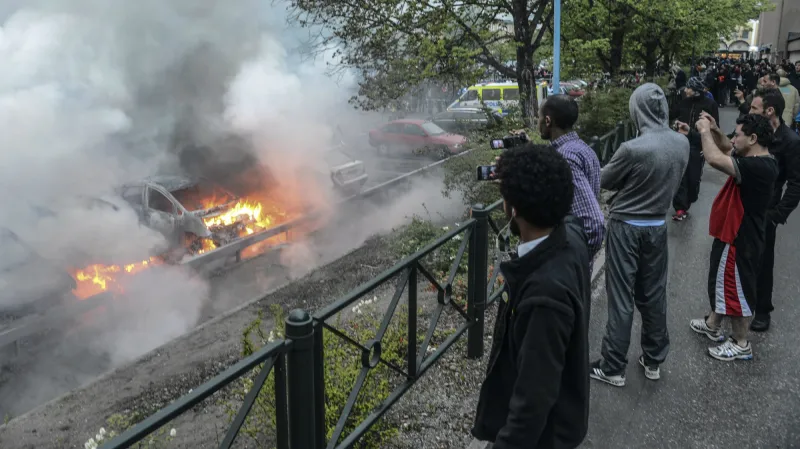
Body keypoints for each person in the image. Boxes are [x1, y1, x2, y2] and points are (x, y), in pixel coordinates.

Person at [472, 145, 590, 449]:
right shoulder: (571, 236)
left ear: (512, 208)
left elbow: (532, 405)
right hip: (563, 419)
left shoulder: (544, 296)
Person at [590, 84, 689, 387]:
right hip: (657, 226)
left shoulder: (633, 149)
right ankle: (654, 358)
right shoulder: (681, 143)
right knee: (653, 294)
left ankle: (613, 365)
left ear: (637, 110)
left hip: (626, 227)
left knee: (621, 297)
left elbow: (601, 180)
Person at [689, 113, 778, 361]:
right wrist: (716, 130)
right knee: (721, 280)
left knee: (734, 289)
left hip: (740, 237)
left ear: (753, 138)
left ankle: (741, 343)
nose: (733, 138)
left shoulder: (760, 167)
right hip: (733, 232)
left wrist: (705, 131)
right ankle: (713, 324)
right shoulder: (755, 158)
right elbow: (728, 149)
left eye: (738, 134)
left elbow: (715, 158)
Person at [749, 88, 800, 331]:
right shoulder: (755, 131)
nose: (750, 112)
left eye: (754, 108)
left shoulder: (790, 141)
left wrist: (777, 215)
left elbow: (796, 183)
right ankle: (738, 303)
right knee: (738, 257)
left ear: (770, 111)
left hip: (766, 211)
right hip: (743, 204)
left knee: (762, 261)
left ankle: (762, 310)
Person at [538, 94, 605, 263]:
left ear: (548, 121)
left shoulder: (565, 157)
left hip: (567, 262)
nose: (537, 123)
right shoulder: (582, 149)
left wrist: (575, 257)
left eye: (538, 118)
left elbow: (593, 223)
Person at [671, 77, 719, 221]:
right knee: (681, 177)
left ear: (696, 90)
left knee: (693, 178)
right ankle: (680, 207)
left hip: (698, 145)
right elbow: (671, 114)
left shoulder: (710, 104)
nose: (685, 90)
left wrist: (708, 143)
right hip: (681, 144)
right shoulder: (684, 102)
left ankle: (690, 198)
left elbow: (716, 129)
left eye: (688, 88)